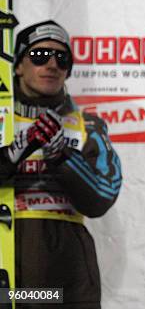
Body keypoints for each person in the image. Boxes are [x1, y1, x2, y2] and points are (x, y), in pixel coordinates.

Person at [0, 20, 122, 308]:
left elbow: (102, 197)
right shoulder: (3, 123)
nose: (52, 64)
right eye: (40, 56)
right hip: (7, 262)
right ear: (18, 65)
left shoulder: (86, 125)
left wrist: (62, 156)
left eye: (62, 58)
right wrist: (12, 153)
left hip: (64, 276)